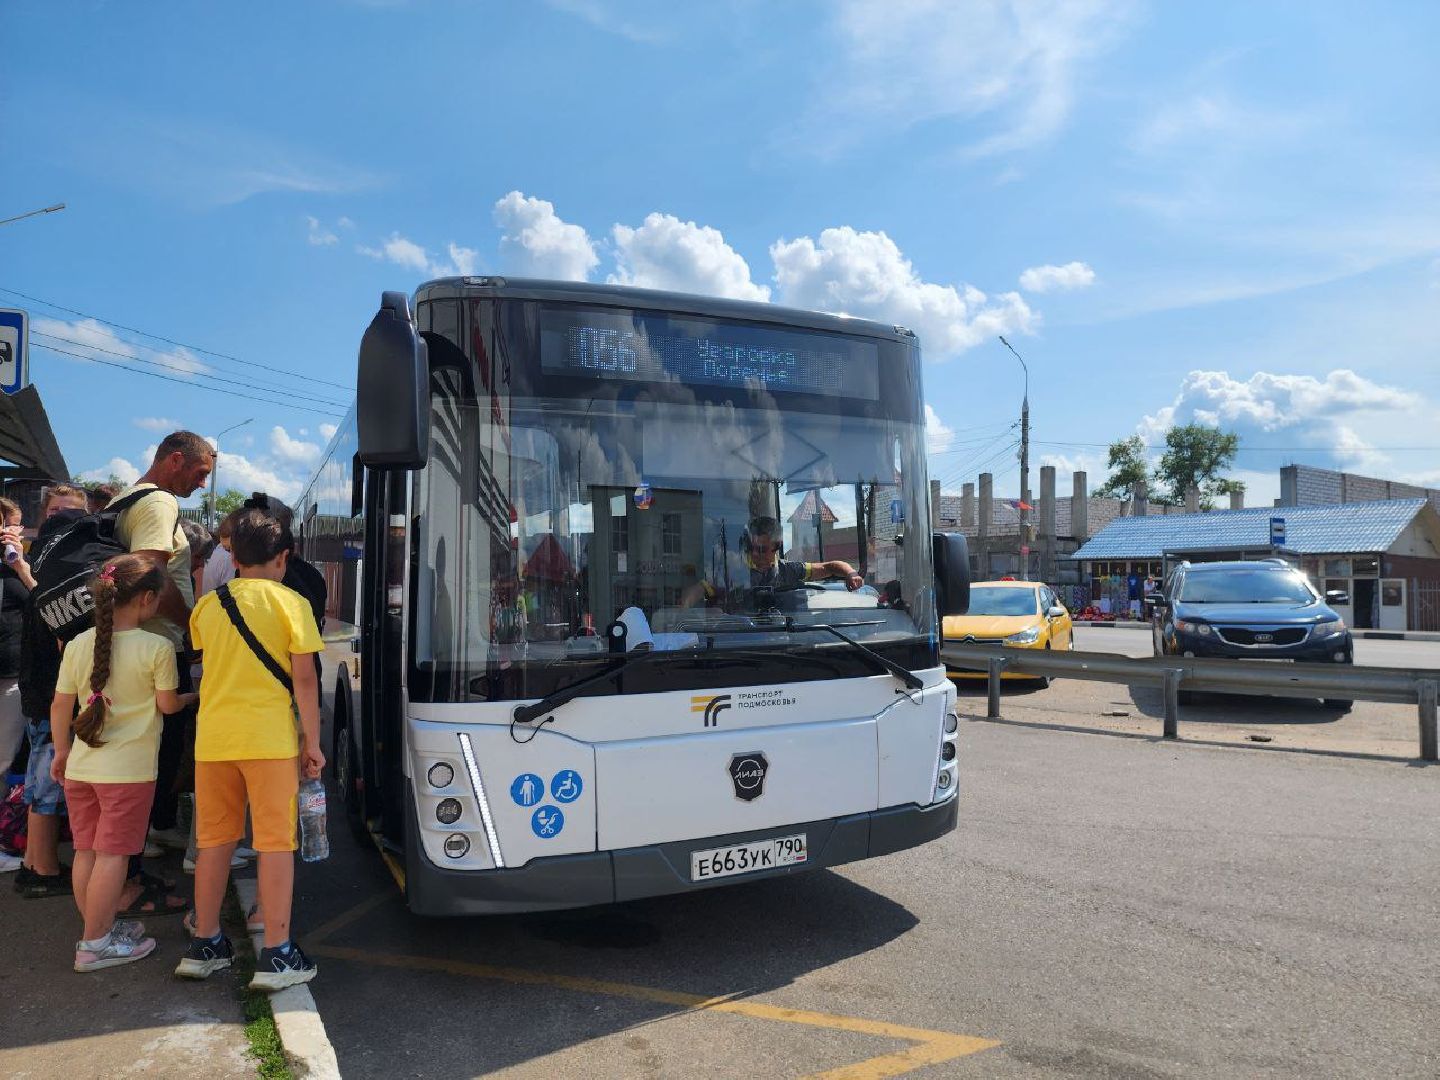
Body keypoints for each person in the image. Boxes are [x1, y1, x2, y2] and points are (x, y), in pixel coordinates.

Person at [178, 510, 324, 990]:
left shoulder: (207, 607)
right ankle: (277, 952)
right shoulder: (292, 604)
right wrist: (313, 742)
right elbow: (304, 679)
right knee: (275, 843)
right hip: (268, 742)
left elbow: (208, 661)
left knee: (215, 842)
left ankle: (205, 943)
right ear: (284, 557)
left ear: (232, 556)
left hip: (214, 741)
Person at [50, 555, 197, 971]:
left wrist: (61, 751)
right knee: (113, 856)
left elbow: (60, 705)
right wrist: (190, 698)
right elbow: (168, 705)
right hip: (129, 773)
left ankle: (96, 931)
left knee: (86, 852)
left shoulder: (79, 644)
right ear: (147, 599)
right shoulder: (157, 647)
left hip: (81, 766)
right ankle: (94, 944)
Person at [111, 432, 214, 848]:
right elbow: (149, 576)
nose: (203, 484)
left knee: (152, 743)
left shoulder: (126, 498)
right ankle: (138, 840)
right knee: (157, 744)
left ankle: (152, 826)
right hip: (156, 644)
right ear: (175, 460)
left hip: (133, 641)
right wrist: (191, 625)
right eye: (200, 472)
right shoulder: (159, 502)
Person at [13, 506, 88, 898]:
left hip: (35, 694)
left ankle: (33, 863)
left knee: (37, 782)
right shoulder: (58, 589)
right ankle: (42, 869)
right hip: (48, 698)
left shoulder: (42, 583)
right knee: (46, 785)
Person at [683, 516, 864, 606]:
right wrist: (680, 611)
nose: (754, 553)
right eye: (751, 547)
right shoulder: (730, 571)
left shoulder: (789, 570)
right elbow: (699, 589)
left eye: (762, 549)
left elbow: (829, 567)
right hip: (737, 644)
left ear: (777, 546)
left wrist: (851, 573)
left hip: (778, 643)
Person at [0, 497, 34, 776]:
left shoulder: (22, 562)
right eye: (7, 526)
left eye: (15, 527)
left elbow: (42, 599)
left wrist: (20, 564)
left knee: (4, 754)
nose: (11, 533)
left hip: (11, 674)